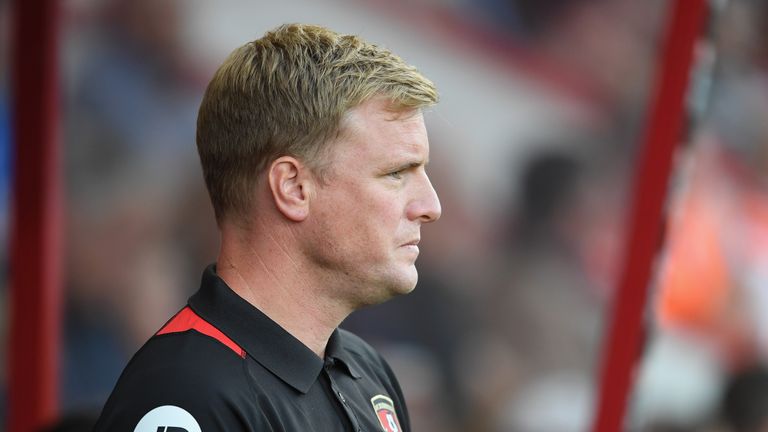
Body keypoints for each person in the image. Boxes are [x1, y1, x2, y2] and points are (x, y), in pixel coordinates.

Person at [93, 23, 441, 431]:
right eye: (396, 172)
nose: (430, 206)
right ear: (293, 188)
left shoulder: (368, 374)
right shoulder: (187, 394)